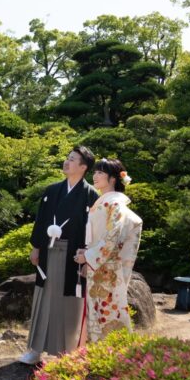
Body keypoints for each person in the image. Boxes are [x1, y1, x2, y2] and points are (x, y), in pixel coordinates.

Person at [19, 146, 98, 365]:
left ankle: (67, 352)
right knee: (43, 297)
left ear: (83, 167)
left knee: (70, 302)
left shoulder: (91, 195)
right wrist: (36, 246)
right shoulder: (52, 191)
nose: (67, 162)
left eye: (72, 159)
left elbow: (95, 230)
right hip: (48, 251)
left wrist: (88, 258)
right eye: (67, 158)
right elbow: (41, 220)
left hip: (74, 256)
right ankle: (35, 350)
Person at [75, 158, 142, 343]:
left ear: (112, 179)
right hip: (100, 264)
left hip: (107, 268)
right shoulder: (105, 202)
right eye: (95, 172)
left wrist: (88, 256)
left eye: (100, 172)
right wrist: (87, 255)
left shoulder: (114, 203)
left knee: (107, 309)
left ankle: (114, 350)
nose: (95, 176)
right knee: (99, 310)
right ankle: (103, 351)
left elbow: (112, 235)